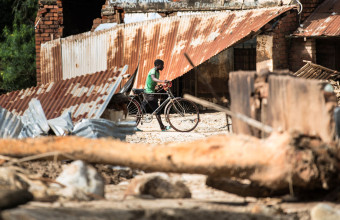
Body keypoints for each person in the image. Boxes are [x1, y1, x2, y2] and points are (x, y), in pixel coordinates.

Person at [143, 59, 171, 131]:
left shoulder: (157, 72)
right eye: (162, 65)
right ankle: (162, 127)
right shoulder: (153, 71)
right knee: (157, 110)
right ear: (158, 65)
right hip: (149, 93)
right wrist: (163, 81)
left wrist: (160, 85)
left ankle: (133, 126)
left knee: (140, 110)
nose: (163, 66)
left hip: (149, 92)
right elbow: (153, 79)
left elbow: (154, 83)